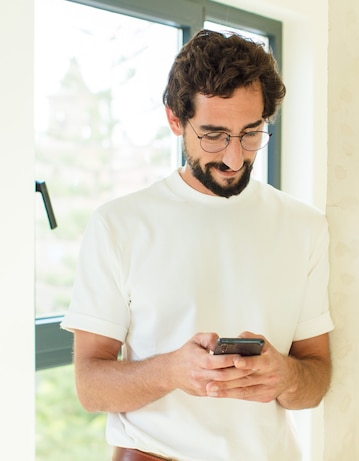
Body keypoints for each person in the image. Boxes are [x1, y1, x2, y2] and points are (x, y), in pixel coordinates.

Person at [61, 30, 334, 461]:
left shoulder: (304, 226)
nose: (234, 158)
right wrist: (171, 370)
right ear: (175, 120)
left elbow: (315, 381)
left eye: (251, 132)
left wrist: (286, 377)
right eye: (213, 135)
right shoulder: (119, 225)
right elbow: (90, 387)